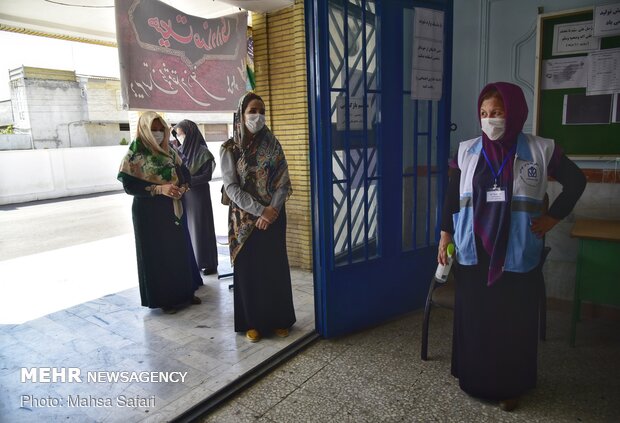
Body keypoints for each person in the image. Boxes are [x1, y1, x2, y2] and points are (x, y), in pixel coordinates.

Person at [438, 82, 586, 411]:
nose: (490, 120)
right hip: (474, 250)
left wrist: (553, 217)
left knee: (512, 323)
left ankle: (510, 387)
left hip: (517, 251)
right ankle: (472, 376)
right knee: (475, 317)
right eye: (484, 114)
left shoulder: (540, 149)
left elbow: (577, 181)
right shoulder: (466, 150)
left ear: (515, 112)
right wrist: (445, 235)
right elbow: (452, 196)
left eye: (498, 113)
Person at [220, 92, 296, 342]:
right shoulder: (230, 148)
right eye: (252, 110)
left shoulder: (273, 144)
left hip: (273, 216)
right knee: (250, 271)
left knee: (274, 268)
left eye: (261, 110)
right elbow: (231, 188)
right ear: (241, 114)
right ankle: (251, 322)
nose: (258, 116)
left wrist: (271, 211)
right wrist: (259, 210)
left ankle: (279, 319)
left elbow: (283, 182)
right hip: (244, 220)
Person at [118, 111, 202, 314]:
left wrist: (182, 188)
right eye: (152, 129)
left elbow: (184, 174)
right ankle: (166, 299)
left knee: (179, 250)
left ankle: (185, 292)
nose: (157, 133)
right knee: (158, 255)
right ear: (144, 130)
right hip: (149, 212)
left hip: (173, 208)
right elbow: (129, 185)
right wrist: (158, 189)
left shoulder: (169, 151)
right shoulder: (135, 153)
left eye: (160, 130)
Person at [172, 120, 219, 275]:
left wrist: (188, 182)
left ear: (190, 133)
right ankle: (194, 263)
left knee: (201, 227)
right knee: (188, 228)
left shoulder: (203, 152)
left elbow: (207, 175)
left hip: (199, 195)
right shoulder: (177, 152)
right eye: (177, 134)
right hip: (184, 196)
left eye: (181, 134)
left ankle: (207, 262)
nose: (179, 137)